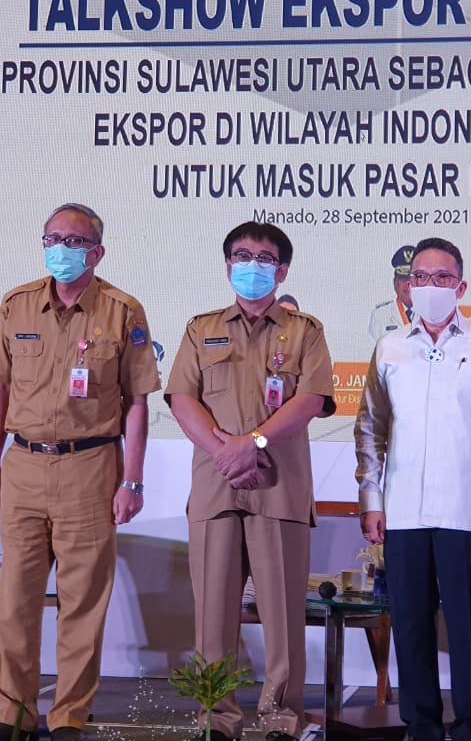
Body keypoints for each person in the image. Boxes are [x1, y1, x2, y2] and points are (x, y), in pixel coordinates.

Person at [0, 203, 160, 741]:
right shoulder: (17, 304)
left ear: (97, 252)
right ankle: (12, 715)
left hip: (91, 467)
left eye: (74, 241)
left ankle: (69, 718)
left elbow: (137, 402)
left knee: (82, 605)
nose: (61, 249)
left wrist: (132, 480)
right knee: (15, 601)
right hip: (23, 466)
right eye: (52, 238)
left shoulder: (123, 310)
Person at [166, 222, 336, 741]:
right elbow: (182, 399)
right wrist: (226, 451)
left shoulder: (306, 331)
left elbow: (311, 400)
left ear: (281, 271)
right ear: (227, 265)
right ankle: (216, 719)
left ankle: (282, 719)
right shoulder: (201, 329)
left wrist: (253, 442)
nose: (251, 266)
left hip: (278, 487)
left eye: (263, 258)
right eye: (241, 256)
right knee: (212, 616)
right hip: (216, 486)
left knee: (282, 615)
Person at [354, 236, 471, 741]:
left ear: (461, 286)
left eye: (442, 277)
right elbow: (370, 428)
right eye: (421, 277)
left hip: (469, 512)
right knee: (410, 625)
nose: (430, 286)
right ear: (407, 286)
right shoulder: (389, 347)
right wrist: (371, 499)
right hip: (403, 511)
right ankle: (422, 726)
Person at [367, 244, 416, 339]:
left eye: (413, 279)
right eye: (404, 278)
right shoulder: (380, 316)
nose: (408, 284)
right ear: (395, 283)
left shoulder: (432, 316)